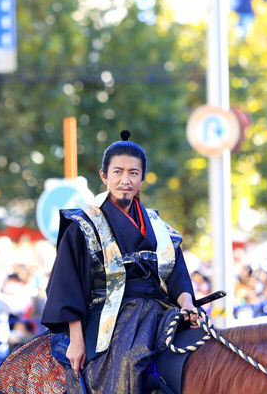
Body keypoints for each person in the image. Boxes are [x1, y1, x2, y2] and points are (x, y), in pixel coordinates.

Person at [40, 130, 198, 393]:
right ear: (104, 176)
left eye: (133, 173)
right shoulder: (82, 225)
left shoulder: (159, 227)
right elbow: (67, 286)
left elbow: (178, 276)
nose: (125, 180)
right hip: (108, 316)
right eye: (117, 172)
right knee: (128, 360)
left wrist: (188, 304)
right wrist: (76, 340)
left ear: (142, 179)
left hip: (160, 309)